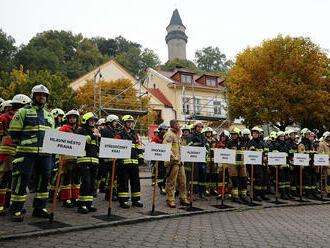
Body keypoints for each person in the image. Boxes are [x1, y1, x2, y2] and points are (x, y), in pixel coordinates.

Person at [9, 85, 55, 222]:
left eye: (44, 95)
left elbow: (52, 135)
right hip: (26, 154)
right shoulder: (23, 111)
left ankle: (40, 209)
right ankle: (16, 209)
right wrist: (23, 145)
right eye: (39, 94)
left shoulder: (49, 114)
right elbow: (14, 132)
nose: (42, 97)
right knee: (22, 180)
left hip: (45, 154)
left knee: (44, 180)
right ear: (33, 96)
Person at [0, 94, 31, 216]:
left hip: (8, 152)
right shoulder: (19, 117)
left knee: (7, 178)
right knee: (10, 179)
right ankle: (6, 204)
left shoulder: (4, 117)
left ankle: (5, 204)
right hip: (14, 152)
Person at [115, 115, 143, 208]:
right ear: (124, 123)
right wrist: (119, 160)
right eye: (128, 122)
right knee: (123, 183)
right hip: (123, 164)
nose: (130, 123)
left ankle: (136, 200)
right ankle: (123, 201)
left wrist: (140, 157)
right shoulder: (119, 135)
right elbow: (116, 148)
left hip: (134, 163)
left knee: (136, 182)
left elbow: (139, 147)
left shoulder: (135, 135)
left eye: (131, 122)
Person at [74, 112, 100, 214]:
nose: (93, 122)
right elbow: (79, 142)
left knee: (92, 183)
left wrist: (99, 138)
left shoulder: (95, 131)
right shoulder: (81, 131)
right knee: (86, 182)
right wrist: (92, 136)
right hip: (84, 160)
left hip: (93, 160)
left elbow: (96, 147)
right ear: (86, 121)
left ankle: (89, 203)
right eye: (91, 120)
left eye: (94, 121)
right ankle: (81, 205)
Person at [163, 120, 189, 208]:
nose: (179, 126)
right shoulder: (169, 135)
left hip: (180, 162)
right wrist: (174, 157)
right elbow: (166, 148)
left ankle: (183, 198)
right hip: (173, 163)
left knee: (183, 181)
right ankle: (170, 200)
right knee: (171, 182)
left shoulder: (177, 136)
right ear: (173, 125)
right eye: (178, 124)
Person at [58, 110, 81, 208]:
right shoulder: (63, 129)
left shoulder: (80, 129)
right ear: (68, 119)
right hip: (66, 159)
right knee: (66, 180)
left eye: (74, 117)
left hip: (78, 159)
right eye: (70, 118)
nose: (72, 119)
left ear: (77, 119)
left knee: (76, 180)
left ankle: (75, 197)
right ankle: (66, 199)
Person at [99, 114, 119, 201]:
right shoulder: (105, 131)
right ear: (110, 122)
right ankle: (109, 194)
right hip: (107, 159)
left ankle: (113, 192)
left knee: (113, 178)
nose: (116, 123)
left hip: (114, 159)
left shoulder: (114, 131)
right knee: (109, 178)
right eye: (115, 122)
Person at [187, 121, 209, 200]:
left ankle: (202, 193)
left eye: (201, 127)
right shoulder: (191, 136)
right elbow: (189, 146)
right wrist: (197, 152)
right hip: (194, 159)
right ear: (195, 128)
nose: (199, 128)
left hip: (202, 159)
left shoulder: (203, 137)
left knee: (202, 176)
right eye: (198, 127)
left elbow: (207, 146)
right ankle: (193, 193)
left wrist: (205, 152)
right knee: (194, 176)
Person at [248, 127, 269, 201]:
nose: (255, 134)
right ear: (252, 134)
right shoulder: (251, 142)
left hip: (262, 164)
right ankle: (255, 195)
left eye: (256, 133)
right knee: (258, 180)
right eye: (254, 133)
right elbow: (253, 153)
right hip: (255, 165)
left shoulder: (260, 143)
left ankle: (263, 194)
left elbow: (264, 152)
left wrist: (266, 157)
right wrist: (262, 158)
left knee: (264, 179)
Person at [151, 123, 168, 195]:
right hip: (160, 159)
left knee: (167, 174)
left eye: (165, 130)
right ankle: (162, 187)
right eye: (162, 130)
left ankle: (165, 186)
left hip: (167, 159)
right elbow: (152, 147)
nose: (164, 131)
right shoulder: (156, 138)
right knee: (161, 173)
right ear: (160, 130)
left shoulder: (167, 138)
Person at [204, 127, 217, 196]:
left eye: (209, 132)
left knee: (214, 175)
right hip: (207, 161)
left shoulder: (214, 140)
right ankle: (207, 189)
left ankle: (213, 189)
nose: (208, 133)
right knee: (207, 175)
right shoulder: (204, 140)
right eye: (207, 132)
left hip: (214, 161)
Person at [319, 132, 330, 197]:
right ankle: (328, 192)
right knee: (328, 178)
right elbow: (321, 154)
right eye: (328, 137)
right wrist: (324, 163)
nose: (329, 138)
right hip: (326, 163)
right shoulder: (321, 144)